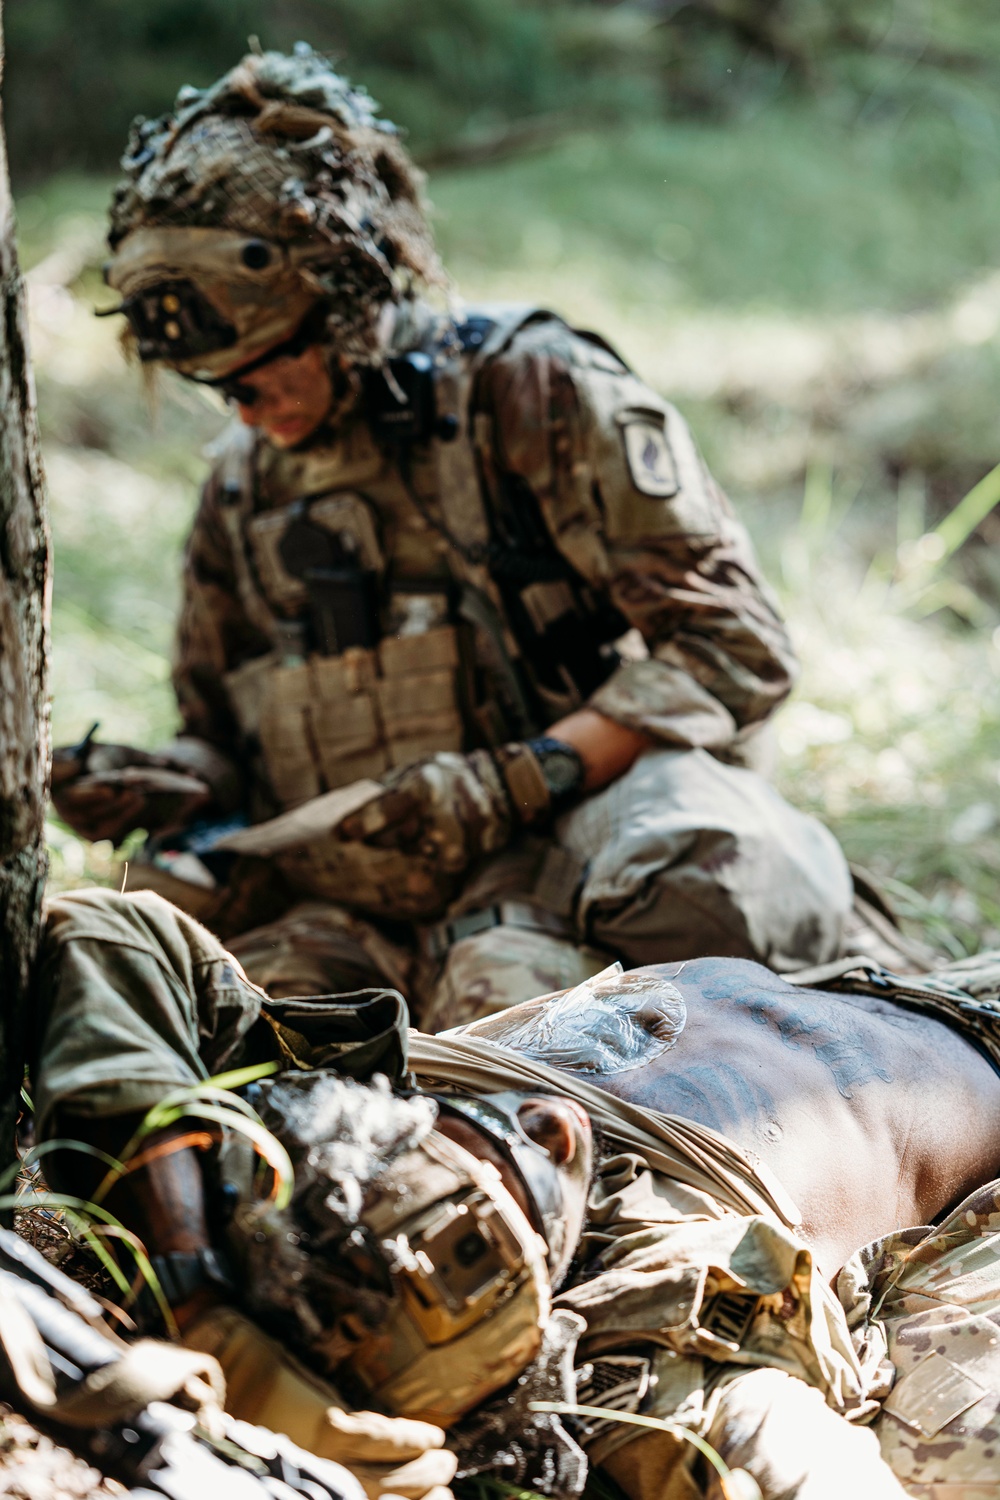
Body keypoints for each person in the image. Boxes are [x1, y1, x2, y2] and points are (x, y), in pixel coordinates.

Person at [49, 44, 861, 1028]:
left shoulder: (531, 396)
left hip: (555, 878)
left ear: (340, 302)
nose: (248, 413)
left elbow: (737, 645)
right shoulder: (240, 492)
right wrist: (164, 785)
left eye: (263, 373)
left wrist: (517, 777)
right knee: (163, 1018)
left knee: (601, 1002)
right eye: (221, 390)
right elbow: (223, 741)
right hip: (345, 911)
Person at [31, 884, 1000, 1496]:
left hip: (895, 983)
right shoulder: (651, 1364)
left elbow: (107, 929)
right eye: (540, 1197)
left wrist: (193, 1286)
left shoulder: (360, 1119)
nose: (548, 1122)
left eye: (470, 1135)